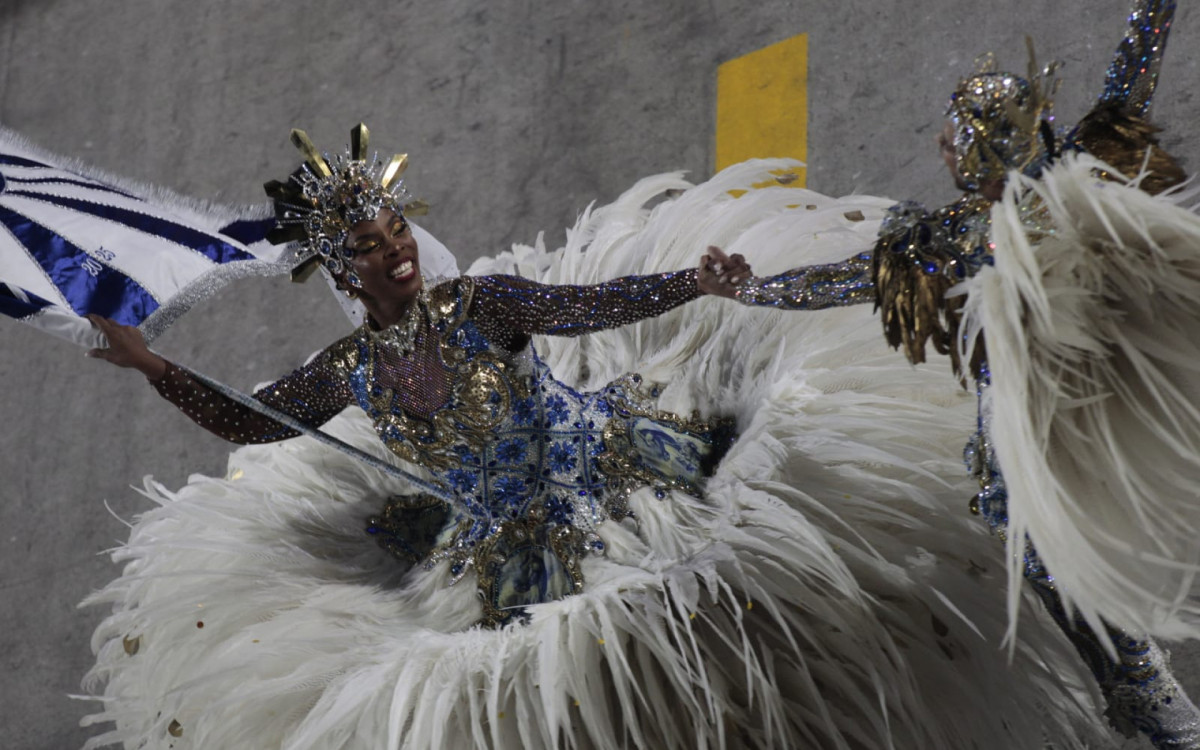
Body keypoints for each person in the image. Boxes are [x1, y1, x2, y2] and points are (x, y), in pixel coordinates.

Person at [77, 126, 1110, 748]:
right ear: (343, 275)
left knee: (729, 644)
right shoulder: (347, 373)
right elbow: (243, 418)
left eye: (397, 238)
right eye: (369, 252)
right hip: (497, 561)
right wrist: (154, 366)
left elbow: (591, 306)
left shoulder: (483, 304)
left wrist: (692, 283)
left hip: (616, 483)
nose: (393, 258)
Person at [719, 2, 1200, 747]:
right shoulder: (953, 235)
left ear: (991, 145)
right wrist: (749, 288)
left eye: (959, 136)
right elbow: (847, 280)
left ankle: (1151, 693)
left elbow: (1131, 75)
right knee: (1044, 559)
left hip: (1101, 393)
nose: (944, 147)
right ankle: (1136, 682)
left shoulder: (1077, 175)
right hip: (1019, 435)